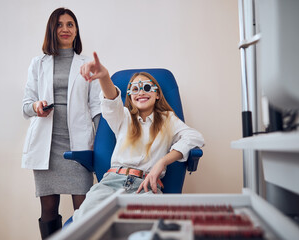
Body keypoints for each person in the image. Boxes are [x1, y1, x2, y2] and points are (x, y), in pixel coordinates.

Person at [71, 52, 205, 222]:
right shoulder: (122, 116)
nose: (141, 92)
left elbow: (194, 137)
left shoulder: (168, 119)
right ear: (130, 97)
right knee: (85, 221)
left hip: (147, 187)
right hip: (111, 184)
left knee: (157, 226)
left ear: (157, 94)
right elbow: (111, 101)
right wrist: (104, 76)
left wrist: (161, 162)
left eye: (147, 88)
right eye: (135, 89)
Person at [22, 8, 101, 239]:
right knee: (48, 210)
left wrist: (104, 142)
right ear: (52, 30)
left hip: (78, 146)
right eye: (59, 25)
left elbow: (97, 107)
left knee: (84, 209)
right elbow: (26, 105)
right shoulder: (38, 63)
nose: (65, 29)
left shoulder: (87, 64)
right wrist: (36, 107)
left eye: (70, 24)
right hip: (46, 147)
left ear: (76, 31)